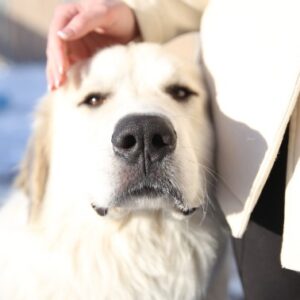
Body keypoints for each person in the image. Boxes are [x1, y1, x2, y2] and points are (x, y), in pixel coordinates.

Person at [46, 1, 300, 299]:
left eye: (180, 92)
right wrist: (142, 16)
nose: (144, 136)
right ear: (40, 161)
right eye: (93, 98)